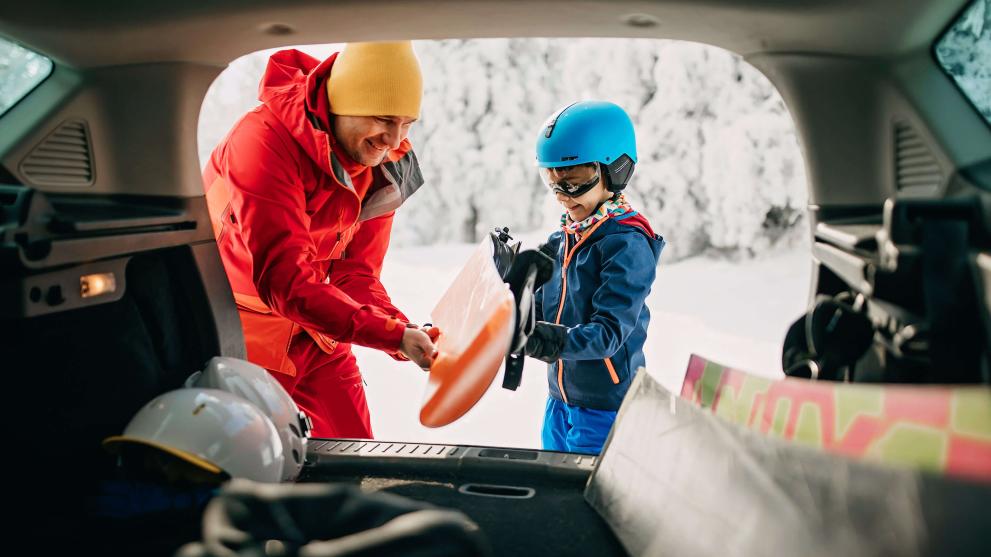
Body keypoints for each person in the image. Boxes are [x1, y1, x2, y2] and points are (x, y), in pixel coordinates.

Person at [201, 41, 436, 439]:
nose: (394, 140)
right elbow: (284, 281)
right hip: (246, 338)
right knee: (263, 466)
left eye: (407, 123)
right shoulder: (262, 142)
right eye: (382, 118)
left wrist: (398, 328)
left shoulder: (384, 163)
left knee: (357, 454)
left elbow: (354, 273)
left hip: (319, 332)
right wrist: (389, 334)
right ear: (342, 104)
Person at [524, 100, 665, 454]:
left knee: (579, 496)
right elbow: (538, 308)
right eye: (553, 183)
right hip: (560, 400)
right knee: (550, 487)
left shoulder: (626, 245)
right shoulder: (563, 239)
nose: (562, 197)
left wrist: (544, 340)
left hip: (604, 407)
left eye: (574, 183)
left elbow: (609, 333)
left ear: (615, 170)